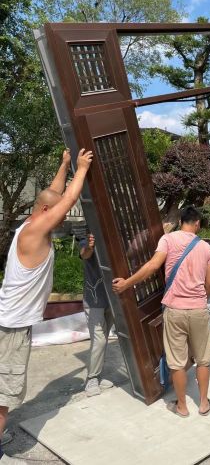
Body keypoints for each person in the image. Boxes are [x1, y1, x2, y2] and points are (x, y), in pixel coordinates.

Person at [0, 148, 93, 464]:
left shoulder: (30, 222)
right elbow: (65, 200)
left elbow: (54, 195)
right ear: (44, 211)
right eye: (58, 213)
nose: (63, 217)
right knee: (4, 395)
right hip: (11, 329)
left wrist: (65, 165)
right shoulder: (36, 230)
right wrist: (81, 168)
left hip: (9, 321)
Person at [112, 206, 210, 418]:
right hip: (198, 309)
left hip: (174, 309)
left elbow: (152, 266)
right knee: (203, 359)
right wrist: (200, 299)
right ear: (197, 223)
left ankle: (182, 407)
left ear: (181, 221)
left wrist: (127, 284)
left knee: (176, 361)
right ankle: (204, 404)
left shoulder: (167, 239)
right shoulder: (206, 248)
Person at [80, 233, 113, 397]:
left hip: (113, 300)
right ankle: (92, 379)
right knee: (99, 340)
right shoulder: (88, 240)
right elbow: (85, 254)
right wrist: (89, 247)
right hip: (94, 301)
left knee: (103, 338)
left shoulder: (116, 241)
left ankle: (97, 375)